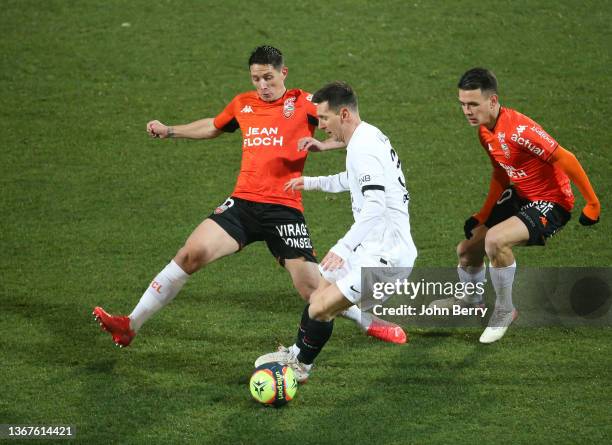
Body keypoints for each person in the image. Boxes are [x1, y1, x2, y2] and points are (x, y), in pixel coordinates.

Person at [93, 46, 405, 347]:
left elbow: (350, 128)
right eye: (256, 79)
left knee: (312, 291)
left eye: (269, 77)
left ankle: (369, 322)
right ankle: (129, 325)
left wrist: (324, 146)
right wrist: (170, 130)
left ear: (283, 73)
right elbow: (213, 126)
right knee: (191, 253)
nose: (263, 85)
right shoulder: (243, 104)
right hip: (242, 204)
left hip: (284, 209)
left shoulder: (304, 102)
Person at [255, 81, 418, 382]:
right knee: (318, 289)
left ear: (343, 115)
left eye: (325, 119)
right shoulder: (368, 136)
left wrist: (343, 247)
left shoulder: (364, 149)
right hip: (374, 247)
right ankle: (297, 353)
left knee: (319, 307)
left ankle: (301, 367)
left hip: (385, 258)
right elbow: (352, 179)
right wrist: (313, 182)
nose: (320, 126)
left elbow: (375, 207)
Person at [429, 67, 601, 343]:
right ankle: (472, 300)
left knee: (495, 241)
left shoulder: (520, 131)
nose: (467, 111)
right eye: (463, 104)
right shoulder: (485, 131)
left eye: (473, 104)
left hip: (552, 203)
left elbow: (566, 158)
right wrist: (482, 214)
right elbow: (500, 172)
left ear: (493, 101)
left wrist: (592, 204)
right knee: (467, 250)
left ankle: (505, 309)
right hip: (520, 194)